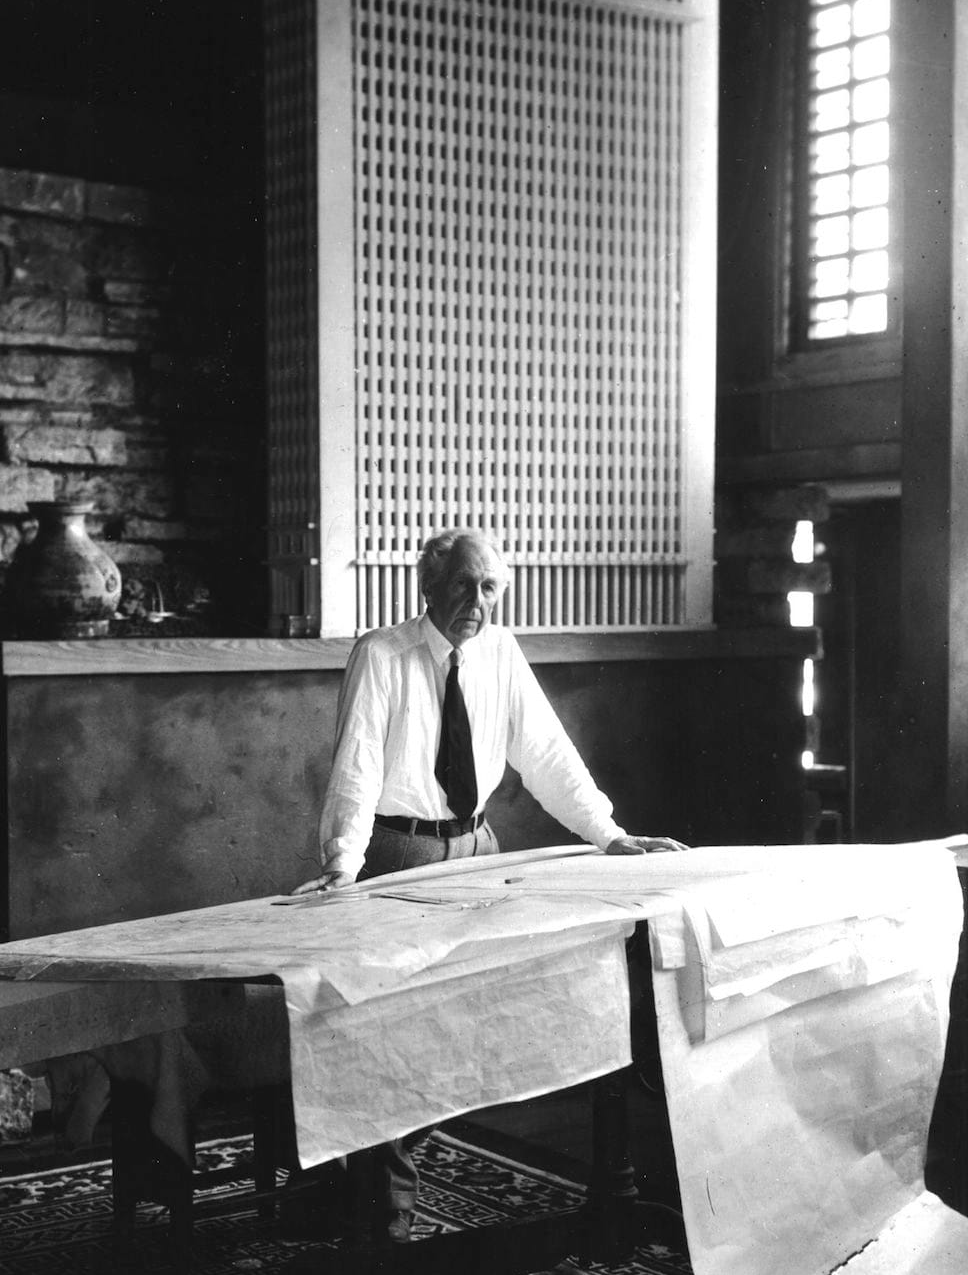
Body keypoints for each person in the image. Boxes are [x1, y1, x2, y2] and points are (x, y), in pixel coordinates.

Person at [292, 528, 686, 1238]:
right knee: (392, 1034)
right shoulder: (382, 655)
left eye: (491, 587)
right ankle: (383, 1229)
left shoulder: (501, 654)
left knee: (494, 1016)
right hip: (399, 855)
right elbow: (355, 766)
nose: (478, 601)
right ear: (429, 586)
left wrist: (608, 833)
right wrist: (342, 867)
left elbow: (547, 754)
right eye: (466, 585)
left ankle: (594, 1203)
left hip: (479, 850)